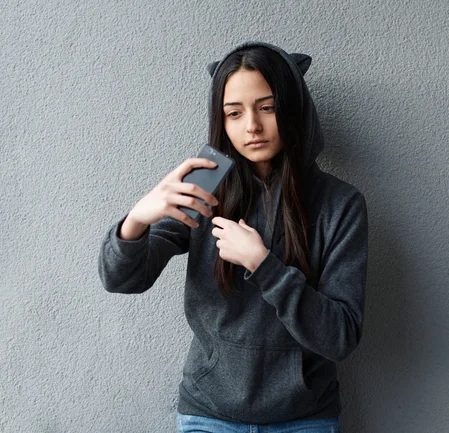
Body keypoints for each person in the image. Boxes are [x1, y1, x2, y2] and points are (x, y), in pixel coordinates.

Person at [98, 41, 368, 433]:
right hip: (209, 414)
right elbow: (122, 279)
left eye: (267, 107)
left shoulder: (340, 204)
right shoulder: (205, 187)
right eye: (234, 113)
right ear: (220, 122)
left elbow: (341, 336)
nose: (252, 126)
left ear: (293, 109)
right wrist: (138, 218)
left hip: (304, 417)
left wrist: (263, 266)